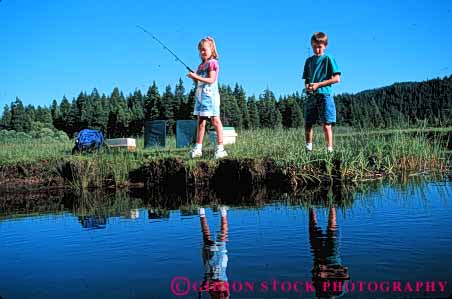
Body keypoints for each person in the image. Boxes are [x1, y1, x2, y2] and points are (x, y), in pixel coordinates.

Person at [188, 36, 228, 159]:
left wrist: (197, 77)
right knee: (200, 123)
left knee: (215, 121)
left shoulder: (212, 63)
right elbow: (198, 84)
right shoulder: (200, 66)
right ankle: (198, 149)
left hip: (210, 97)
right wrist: (194, 78)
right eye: (200, 50)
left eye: (204, 49)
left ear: (211, 50)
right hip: (201, 98)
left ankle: (220, 149)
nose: (202, 52)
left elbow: (211, 80)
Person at [302, 32, 341, 153]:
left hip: (325, 95)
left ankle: (329, 151)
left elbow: (337, 79)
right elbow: (307, 80)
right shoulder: (308, 61)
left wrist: (319, 84)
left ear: (325, 46)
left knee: (326, 124)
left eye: (319, 47)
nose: (317, 49)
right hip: (312, 96)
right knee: (308, 123)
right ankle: (308, 151)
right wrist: (308, 86)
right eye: (314, 46)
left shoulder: (328, 59)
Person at [198, 207, 230, 299]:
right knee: (221, 235)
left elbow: (206, 283)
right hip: (218, 261)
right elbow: (221, 284)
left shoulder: (213, 292)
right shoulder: (223, 292)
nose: (221, 297)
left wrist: (202, 289)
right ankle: (222, 212)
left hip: (211, 262)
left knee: (208, 236)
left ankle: (202, 212)